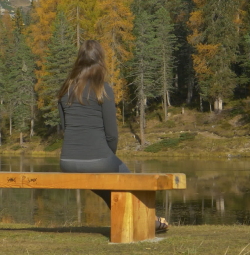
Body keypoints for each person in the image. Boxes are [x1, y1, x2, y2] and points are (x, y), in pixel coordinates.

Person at [58, 40, 169, 233]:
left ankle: (141, 220)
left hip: (67, 161)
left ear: (79, 61)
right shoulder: (103, 89)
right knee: (130, 182)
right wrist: (108, 157)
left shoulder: (65, 91)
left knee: (109, 189)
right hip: (98, 157)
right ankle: (148, 221)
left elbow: (64, 128)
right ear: (100, 61)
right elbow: (112, 134)